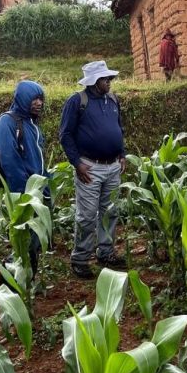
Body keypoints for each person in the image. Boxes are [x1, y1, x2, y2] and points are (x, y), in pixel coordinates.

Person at [58, 61, 127, 279]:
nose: (110, 82)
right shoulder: (78, 101)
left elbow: (118, 128)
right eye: (106, 79)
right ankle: (80, 259)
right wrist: (77, 163)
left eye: (110, 78)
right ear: (95, 81)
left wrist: (122, 153)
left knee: (110, 212)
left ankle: (105, 252)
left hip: (112, 166)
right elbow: (65, 135)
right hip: (90, 167)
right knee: (86, 216)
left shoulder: (113, 99)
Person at [0, 80, 48, 273]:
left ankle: (27, 279)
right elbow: (9, 161)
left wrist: (45, 189)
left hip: (37, 191)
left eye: (41, 99)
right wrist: (24, 195)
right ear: (22, 99)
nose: (39, 103)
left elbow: (38, 160)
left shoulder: (31, 124)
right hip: (23, 195)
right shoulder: (7, 122)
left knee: (33, 241)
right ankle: (10, 283)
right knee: (23, 241)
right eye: (34, 99)